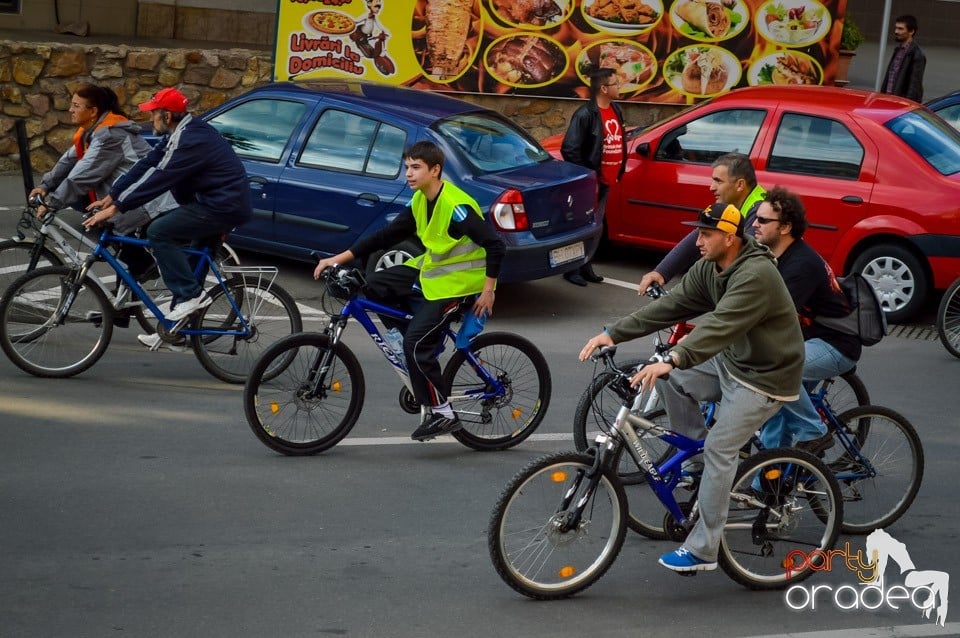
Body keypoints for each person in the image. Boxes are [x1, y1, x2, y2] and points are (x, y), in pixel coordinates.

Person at [579, 202, 804, 573]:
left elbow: (719, 327)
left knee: (721, 448)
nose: (697, 241)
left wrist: (676, 357)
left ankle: (703, 548)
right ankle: (699, 470)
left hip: (766, 376)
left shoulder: (756, 275)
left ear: (730, 238)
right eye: (698, 232)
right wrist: (612, 333)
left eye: (706, 234)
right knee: (663, 375)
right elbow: (672, 307)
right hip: (733, 362)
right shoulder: (710, 268)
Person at [314, 140, 506, 442]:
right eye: (407, 167)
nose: (409, 173)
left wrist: (488, 291)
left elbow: (495, 245)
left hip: (459, 286)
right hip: (432, 275)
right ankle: (412, 345)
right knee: (372, 287)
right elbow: (386, 236)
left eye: (416, 167)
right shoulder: (419, 200)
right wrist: (338, 259)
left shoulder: (455, 207)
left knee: (416, 345)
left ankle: (442, 412)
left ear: (435, 170)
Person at [83, 87, 252, 327]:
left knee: (159, 232)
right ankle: (173, 330)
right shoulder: (180, 133)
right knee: (191, 269)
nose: (150, 118)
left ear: (167, 116)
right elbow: (148, 163)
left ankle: (189, 297)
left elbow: (161, 177)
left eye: (153, 114)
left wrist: (117, 208)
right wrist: (113, 196)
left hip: (221, 206)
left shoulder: (191, 139)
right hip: (215, 203)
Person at [751, 187, 861, 453]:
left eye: (763, 220)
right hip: (808, 340)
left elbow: (771, 316)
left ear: (785, 227)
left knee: (774, 373)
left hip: (835, 345)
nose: (754, 223)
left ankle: (814, 432)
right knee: (775, 411)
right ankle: (767, 486)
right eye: (756, 216)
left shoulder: (800, 265)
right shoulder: (774, 255)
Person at [30, 84, 171, 280]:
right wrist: (45, 186)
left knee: (126, 251)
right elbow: (68, 161)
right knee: (123, 256)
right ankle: (123, 305)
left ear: (93, 111)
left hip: (147, 199)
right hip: (127, 198)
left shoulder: (111, 135)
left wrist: (51, 203)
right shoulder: (92, 132)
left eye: (76, 105)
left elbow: (82, 175)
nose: (70, 110)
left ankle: (146, 289)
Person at [637, 153, 765, 295]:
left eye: (718, 181)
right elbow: (699, 235)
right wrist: (661, 272)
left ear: (740, 185)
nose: (711, 187)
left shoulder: (759, 211)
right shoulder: (736, 204)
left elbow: (737, 258)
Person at [560, 67, 627, 287]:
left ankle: (586, 265)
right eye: (616, 83)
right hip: (592, 183)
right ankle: (572, 269)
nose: (620, 87)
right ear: (604, 88)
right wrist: (589, 177)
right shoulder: (585, 114)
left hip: (607, 181)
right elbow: (570, 149)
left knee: (595, 226)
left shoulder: (615, 109)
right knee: (582, 226)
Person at [882, 15, 926, 102]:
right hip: (889, 101)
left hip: (901, 104)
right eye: (896, 28)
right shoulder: (898, 50)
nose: (896, 31)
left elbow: (914, 85)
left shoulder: (916, 54)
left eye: (900, 29)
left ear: (911, 31)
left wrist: (906, 104)